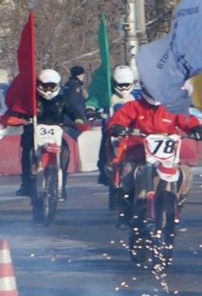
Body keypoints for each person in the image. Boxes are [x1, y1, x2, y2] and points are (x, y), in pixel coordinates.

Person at [103, 84, 202, 223]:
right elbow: (117, 121)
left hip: (169, 158)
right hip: (139, 155)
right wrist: (117, 127)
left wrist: (197, 129)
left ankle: (177, 206)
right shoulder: (133, 106)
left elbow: (188, 120)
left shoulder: (172, 108)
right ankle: (126, 210)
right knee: (127, 173)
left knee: (186, 174)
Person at [7, 69, 82, 199]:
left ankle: (61, 185)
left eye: (52, 86)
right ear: (39, 84)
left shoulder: (62, 101)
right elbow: (17, 111)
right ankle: (26, 183)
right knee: (27, 151)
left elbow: (73, 111)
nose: (48, 90)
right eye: (45, 86)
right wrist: (16, 118)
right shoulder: (30, 101)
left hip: (55, 135)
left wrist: (78, 121)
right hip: (33, 132)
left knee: (65, 151)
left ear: (57, 85)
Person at [94, 65, 140, 185]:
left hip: (134, 131)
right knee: (105, 148)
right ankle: (104, 172)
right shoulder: (107, 96)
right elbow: (94, 102)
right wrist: (93, 111)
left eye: (126, 85)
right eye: (120, 85)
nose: (123, 88)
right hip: (112, 130)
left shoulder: (137, 96)